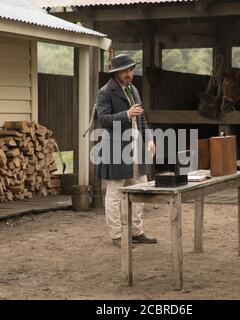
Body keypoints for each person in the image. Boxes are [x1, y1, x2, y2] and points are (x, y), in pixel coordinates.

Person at [97, 53, 157, 248]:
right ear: (116, 72)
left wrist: (149, 139)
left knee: (141, 190)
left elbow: (142, 119)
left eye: (131, 70)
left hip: (136, 148)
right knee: (114, 194)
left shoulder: (133, 90)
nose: (129, 74)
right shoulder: (105, 92)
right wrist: (126, 114)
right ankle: (116, 235)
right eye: (125, 71)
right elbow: (103, 120)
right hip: (115, 149)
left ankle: (136, 232)